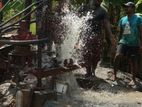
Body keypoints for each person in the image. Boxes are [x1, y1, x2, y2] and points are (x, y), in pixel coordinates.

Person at [78, 0, 114, 78]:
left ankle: (93, 70)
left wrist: (110, 36)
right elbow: (78, 21)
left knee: (96, 55)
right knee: (86, 54)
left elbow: (106, 23)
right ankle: (88, 72)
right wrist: (78, 38)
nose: (99, 1)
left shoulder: (103, 11)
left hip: (97, 36)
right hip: (86, 35)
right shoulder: (85, 7)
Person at [112, 2, 142, 86]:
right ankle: (114, 75)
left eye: (127, 7)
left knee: (133, 60)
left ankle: (133, 79)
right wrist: (117, 43)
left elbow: (141, 31)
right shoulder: (122, 19)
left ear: (133, 8)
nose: (125, 8)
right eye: (125, 7)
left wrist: (141, 44)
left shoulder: (138, 18)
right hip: (123, 41)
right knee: (117, 55)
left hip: (134, 43)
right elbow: (119, 32)